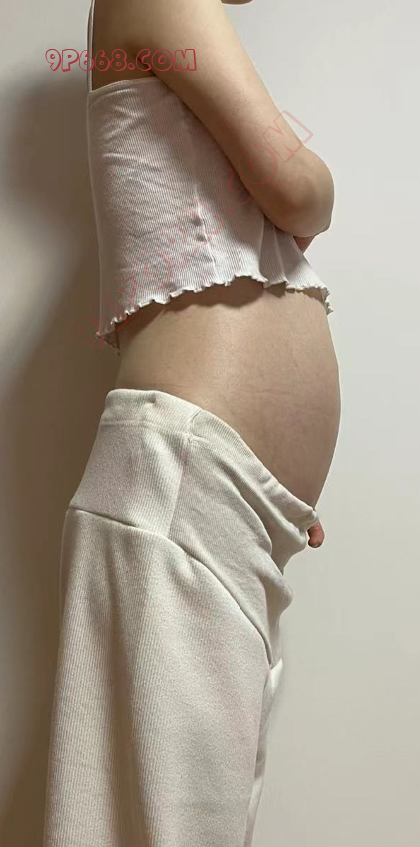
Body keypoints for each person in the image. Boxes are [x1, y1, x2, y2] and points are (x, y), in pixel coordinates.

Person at [43, 1, 341, 845]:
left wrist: (271, 484)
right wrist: (322, 182)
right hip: (185, 490)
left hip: (215, 500)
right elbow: (296, 188)